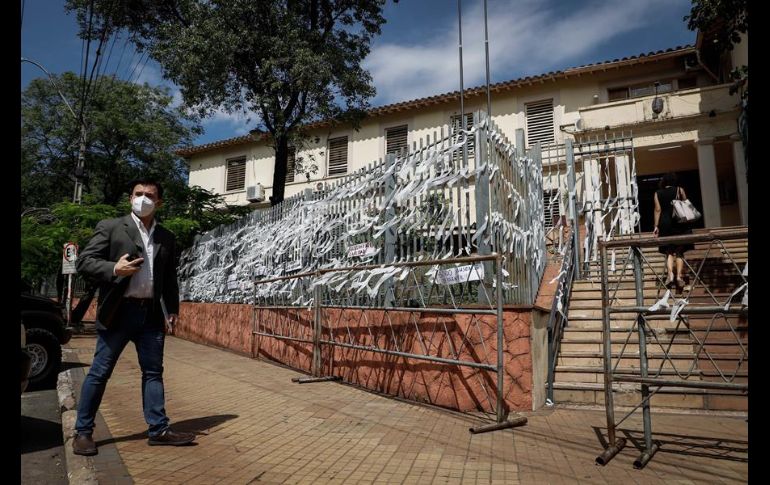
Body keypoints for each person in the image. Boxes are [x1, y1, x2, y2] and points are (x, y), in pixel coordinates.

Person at [72, 178, 195, 456]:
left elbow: (169, 279)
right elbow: (85, 261)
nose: (143, 199)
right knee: (100, 372)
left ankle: (158, 430)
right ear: (130, 198)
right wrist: (113, 268)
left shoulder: (166, 237)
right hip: (118, 312)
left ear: (159, 202)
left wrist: (172, 309)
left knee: (153, 372)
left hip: (150, 315)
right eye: (138, 194)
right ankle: (82, 432)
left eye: (149, 195)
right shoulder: (112, 227)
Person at [652, 172, 694, 292]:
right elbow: (686, 204)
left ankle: (670, 275)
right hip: (679, 223)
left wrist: (656, 226)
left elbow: (657, 210)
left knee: (668, 251)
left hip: (665, 224)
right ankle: (679, 276)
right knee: (679, 251)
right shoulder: (680, 190)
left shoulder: (657, 193)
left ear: (664, 181)